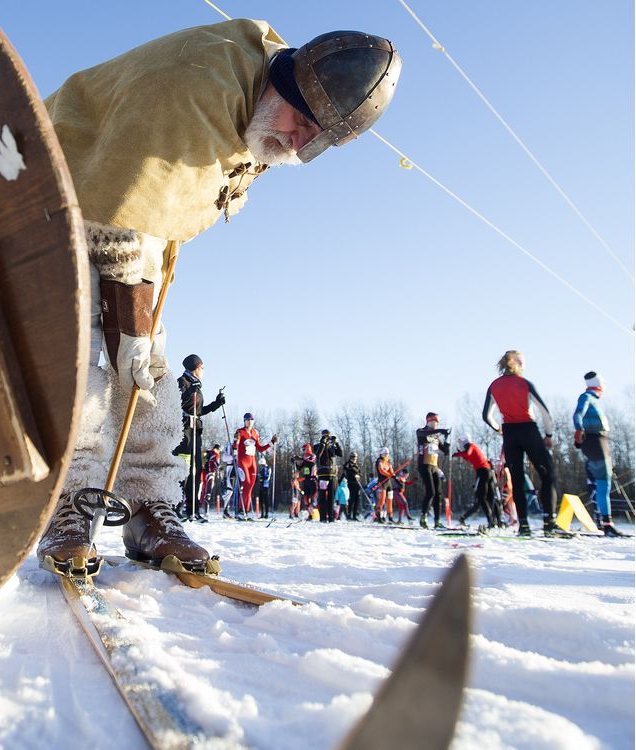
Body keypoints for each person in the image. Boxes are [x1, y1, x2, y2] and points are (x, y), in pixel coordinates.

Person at [36, 20, 402, 574]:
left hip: (138, 223)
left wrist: (137, 326)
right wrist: (128, 323)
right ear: (284, 83)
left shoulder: (262, 105)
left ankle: (145, 503)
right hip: (62, 192)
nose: (299, 142)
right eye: (301, 121)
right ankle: (71, 500)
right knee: (86, 348)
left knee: (146, 361)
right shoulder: (192, 90)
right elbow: (120, 211)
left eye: (317, 138)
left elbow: (165, 212)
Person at [482, 350, 565, 537]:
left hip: (509, 433)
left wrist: (498, 429)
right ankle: (549, 522)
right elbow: (545, 412)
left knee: (517, 480)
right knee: (548, 474)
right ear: (518, 363)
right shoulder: (524, 383)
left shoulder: (494, 385)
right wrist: (549, 434)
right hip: (528, 430)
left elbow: (486, 416)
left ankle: (524, 525)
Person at [175, 354, 226, 521]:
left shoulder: (197, 385)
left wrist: (216, 404)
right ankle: (176, 508)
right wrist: (191, 390)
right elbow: (179, 403)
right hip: (184, 432)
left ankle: (193, 510)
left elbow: (199, 411)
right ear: (195, 368)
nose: (203, 371)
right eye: (202, 368)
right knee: (183, 471)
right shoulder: (182, 382)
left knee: (196, 470)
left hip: (196, 431)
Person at [573, 372, 622, 537]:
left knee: (604, 484)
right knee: (603, 483)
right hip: (595, 441)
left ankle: (605, 522)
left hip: (600, 441)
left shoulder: (594, 400)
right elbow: (578, 413)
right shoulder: (587, 396)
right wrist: (579, 429)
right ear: (599, 385)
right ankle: (606, 524)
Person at [232, 413, 277, 520]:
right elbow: (235, 446)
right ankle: (240, 510)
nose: (249, 422)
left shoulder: (255, 433)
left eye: (251, 420)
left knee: (250, 487)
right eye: (247, 420)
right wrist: (235, 440)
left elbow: (260, 449)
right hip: (243, 461)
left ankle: (245, 511)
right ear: (244, 421)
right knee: (246, 483)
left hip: (252, 462)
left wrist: (271, 443)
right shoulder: (240, 431)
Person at [453, 436, 498, 529]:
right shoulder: (472, 448)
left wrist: (458, 454)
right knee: (487, 498)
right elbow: (468, 457)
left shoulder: (471, 446)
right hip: (486, 471)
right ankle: (495, 520)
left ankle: (491, 520)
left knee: (481, 497)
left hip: (483, 472)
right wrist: (460, 454)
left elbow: (467, 453)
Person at [416, 412, 451, 528]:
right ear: (429, 421)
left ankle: (437, 520)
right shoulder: (421, 431)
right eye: (435, 422)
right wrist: (440, 431)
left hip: (434, 466)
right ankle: (423, 517)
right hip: (424, 464)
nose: (436, 424)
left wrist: (446, 440)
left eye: (438, 422)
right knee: (430, 491)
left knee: (438, 494)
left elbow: (445, 451)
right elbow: (426, 434)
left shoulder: (436, 437)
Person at [314, 430, 343, 523]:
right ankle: (322, 517)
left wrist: (336, 443)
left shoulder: (332, 447)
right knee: (322, 496)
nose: (327, 437)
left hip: (332, 474)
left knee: (331, 497)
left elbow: (340, 454)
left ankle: (331, 517)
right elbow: (318, 455)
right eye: (325, 436)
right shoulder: (317, 446)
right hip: (323, 474)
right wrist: (323, 443)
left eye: (328, 436)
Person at [291, 444, 319, 520]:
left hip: (313, 479)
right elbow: (300, 467)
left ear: (308, 449)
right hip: (306, 480)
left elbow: (311, 462)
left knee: (313, 498)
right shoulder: (304, 458)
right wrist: (296, 461)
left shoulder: (312, 456)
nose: (303, 451)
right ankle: (309, 515)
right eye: (303, 450)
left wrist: (301, 459)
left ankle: (316, 513)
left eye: (304, 449)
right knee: (306, 499)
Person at [373, 448, 395, 523]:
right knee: (382, 500)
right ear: (382, 454)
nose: (386, 456)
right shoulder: (379, 461)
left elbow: (391, 470)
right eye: (385, 454)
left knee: (390, 500)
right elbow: (381, 470)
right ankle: (378, 515)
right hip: (382, 482)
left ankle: (390, 517)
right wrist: (389, 474)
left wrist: (393, 475)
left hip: (389, 483)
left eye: (387, 454)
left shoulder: (388, 461)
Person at [341, 451, 364, 521]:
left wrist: (358, 475)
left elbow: (360, 473)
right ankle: (349, 515)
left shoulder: (357, 465)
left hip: (357, 484)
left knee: (357, 500)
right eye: (353, 458)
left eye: (355, 458)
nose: (354, 459)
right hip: (350, 483)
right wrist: (354, 473)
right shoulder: (348, 464)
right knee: (352, 500)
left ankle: (354, 515)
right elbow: (347, 469)